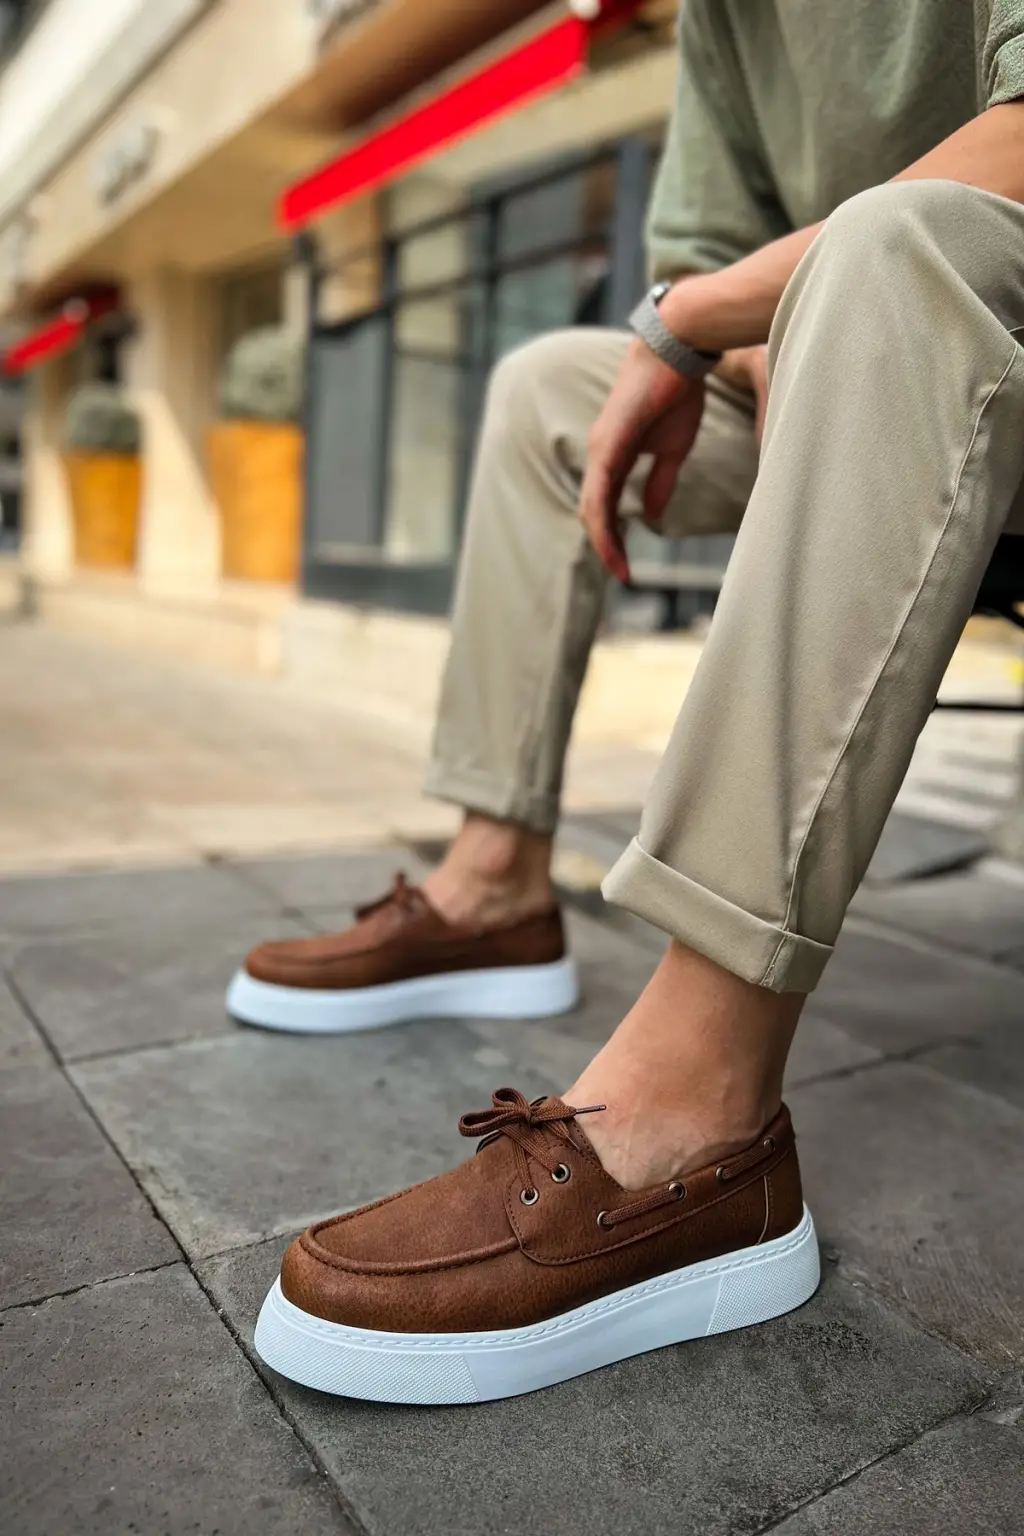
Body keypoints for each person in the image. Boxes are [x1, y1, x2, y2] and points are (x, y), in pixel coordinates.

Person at [238, 0, 1024, 1405]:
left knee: (892, 248)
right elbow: (706, 279)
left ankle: (698, 1110)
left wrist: (709, 314)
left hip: (963, 308)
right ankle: (493, 888)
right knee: (553, 385)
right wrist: (736, 324)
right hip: (832, 351)